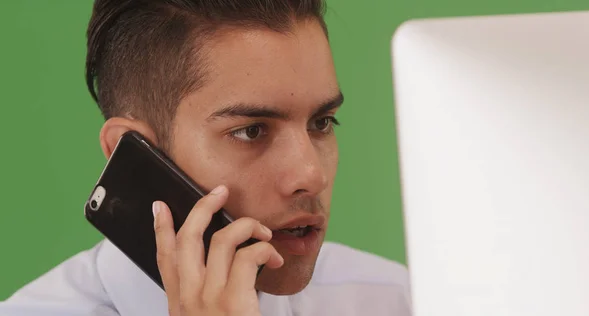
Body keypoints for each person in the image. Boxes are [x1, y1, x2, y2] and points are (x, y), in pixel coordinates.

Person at [0, 1, 412, 315]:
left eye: (321, 123)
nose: (310, 175)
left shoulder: (400, 300)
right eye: (251, 131)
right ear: (132, 156)